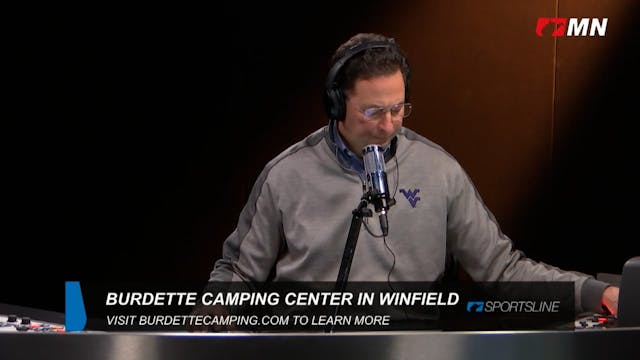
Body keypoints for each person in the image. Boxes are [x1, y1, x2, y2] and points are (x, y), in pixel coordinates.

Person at [205, 32, 619, 324]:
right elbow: (238, 274)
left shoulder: (439, 171)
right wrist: (205, 324)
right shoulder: (286, 174)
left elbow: (501, 269)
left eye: (399, 108)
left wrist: (592, 293)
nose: (388, 125)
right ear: (336, 105)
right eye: (372, 111)